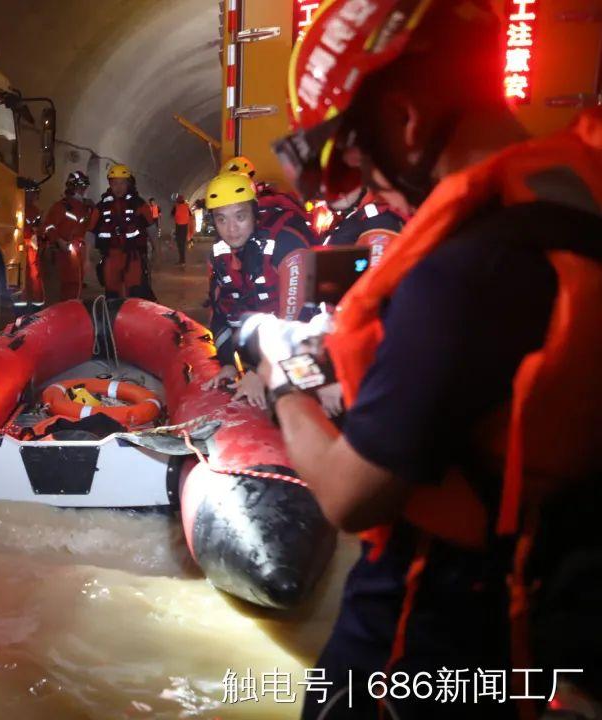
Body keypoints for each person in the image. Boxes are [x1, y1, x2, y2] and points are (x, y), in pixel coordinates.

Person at [255, 1, 602, 717]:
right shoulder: (574, 202)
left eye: (357, 154)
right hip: (537, 615)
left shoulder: (461, 273)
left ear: (406, 119)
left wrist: (282, 379)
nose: (369, 183)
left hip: (424, 636)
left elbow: (351, 498)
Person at [199, 170, 310, 409]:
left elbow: (298, 322)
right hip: (262, 353)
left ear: (254, 213)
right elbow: (220, 312)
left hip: (305, 353)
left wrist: (264, 374)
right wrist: (227, 362)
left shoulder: (287, 247)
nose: (231, 229)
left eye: (240, 216)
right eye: (221, 219)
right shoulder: (219, 256)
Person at [88, 163, 156, 299]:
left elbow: (151, 228)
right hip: (110, 256)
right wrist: (86, 259)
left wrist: (157, 250)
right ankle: (115, 316)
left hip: (133, 256)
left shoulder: (139, 204)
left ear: (128, 184)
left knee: (136, 291)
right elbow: (90, 231)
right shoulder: (101, 207)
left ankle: (136, 316)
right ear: (110, 184)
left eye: (122, 183)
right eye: (115, 183)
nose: (118, 187)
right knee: (112, 293)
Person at [43, 170, 93, 301]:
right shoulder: (61, 207)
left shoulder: (86, 208)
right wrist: (59, 241)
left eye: (84, 188)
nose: (83, 191)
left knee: (77, 284)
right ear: (72, 187)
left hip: (79, 251)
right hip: (64, 251)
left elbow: (88, 231)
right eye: (80, 187)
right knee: (68, 285)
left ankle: (72, 310)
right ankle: (66, 313)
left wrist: (87, 258)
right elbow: (49, 226)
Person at [22, 185, 45, 305]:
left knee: (33, 273)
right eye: (34, 193)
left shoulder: (35, 210)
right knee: (26, 273)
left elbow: (38, 228)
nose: (36, 196)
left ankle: (36, 301)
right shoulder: (21, 207)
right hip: (25, 244)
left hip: (31, 245)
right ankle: (28, 300)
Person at [171, 194, 191, 266]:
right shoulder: (186, 206)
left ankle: (182, 260)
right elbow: (190, 215)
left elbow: (172, 214)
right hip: (185, 227)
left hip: (179, 226)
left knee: (180, 243)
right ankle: (182, 260)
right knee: (182, 243)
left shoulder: (176, 206)